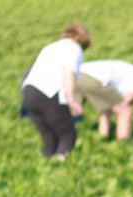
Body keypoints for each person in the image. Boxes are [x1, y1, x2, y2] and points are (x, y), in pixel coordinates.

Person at [21, 23, 90, 159]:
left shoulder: (51, 47)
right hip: (50, 92)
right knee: (68, 135)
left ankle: (46, 165)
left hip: (29, 91)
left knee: (49, 137)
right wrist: (71, 100)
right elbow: (69, 73)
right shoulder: (74, 49)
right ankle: (61, 168)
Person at [75, 60, 133, 140]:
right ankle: (123, 143)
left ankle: (101, 138)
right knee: (125, 110)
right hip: (94, 78)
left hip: (77, 75)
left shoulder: (130, 77)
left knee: (75, 112)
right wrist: (121, 108)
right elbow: (129, 98)